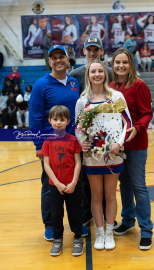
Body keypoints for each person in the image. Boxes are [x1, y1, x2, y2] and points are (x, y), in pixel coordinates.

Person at [75, 59, 132, 250]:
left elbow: (127, 124)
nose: (97, 74)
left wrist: (119, 143)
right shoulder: (82, 100)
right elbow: (78, 128)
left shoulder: (116, 96)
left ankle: (109, 232)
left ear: (105, 74)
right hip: (92, 156)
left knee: (110, 195)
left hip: (113, 155)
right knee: (96, 196)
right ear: (88, 75)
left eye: (100, 71)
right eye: (93, 72)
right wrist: (81, 140)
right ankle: (99, 234)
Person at [29, 45, 82, 241]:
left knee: (76, 184)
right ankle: (50, 224)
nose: (58, 60)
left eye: (62, 57)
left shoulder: (75, 83)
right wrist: (37, 144)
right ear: (49, 62)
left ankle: (77, 223)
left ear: (68, 60)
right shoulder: (41, 85)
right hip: (50, 144)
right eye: (54, 58)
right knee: (50, 185)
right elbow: (34, 116)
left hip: (73, 144)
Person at [70, 36, 119, 229]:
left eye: (95, 49)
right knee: (86, 177)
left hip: (108, 136)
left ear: (101, 51)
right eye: (89, 49)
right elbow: (75, 107)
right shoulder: (75, 73)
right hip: (86, 137)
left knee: (107, 178)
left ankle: (109, 217)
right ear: (84, 51)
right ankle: (87, 213)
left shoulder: (110, 72)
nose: (92, 52)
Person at [109, 48, 153, 250]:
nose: (121, 66)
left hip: (136, 145)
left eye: (125, 62)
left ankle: (146, 230)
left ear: (131, 64)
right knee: (124, 184)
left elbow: (146, 113)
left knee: (138, 186)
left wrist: (138, 127)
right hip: (117, 146)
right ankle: (128, 220)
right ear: (113, 64)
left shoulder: (139, 85)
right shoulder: (109, 87)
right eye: (117, 62)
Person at [41, 105, 83, 257]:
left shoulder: (73, 140)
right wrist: (57, 183)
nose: (58, 122)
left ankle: (78, 238)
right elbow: (46, 165)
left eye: (62, 120)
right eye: (55, 119)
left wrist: (73, 182)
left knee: (75, 212)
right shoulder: (47, 141)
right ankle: (57, 239)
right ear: (50, 120)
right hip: (55, 186)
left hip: (73, 185)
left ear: (68, 121)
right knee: (56, 213)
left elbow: (78, 163)